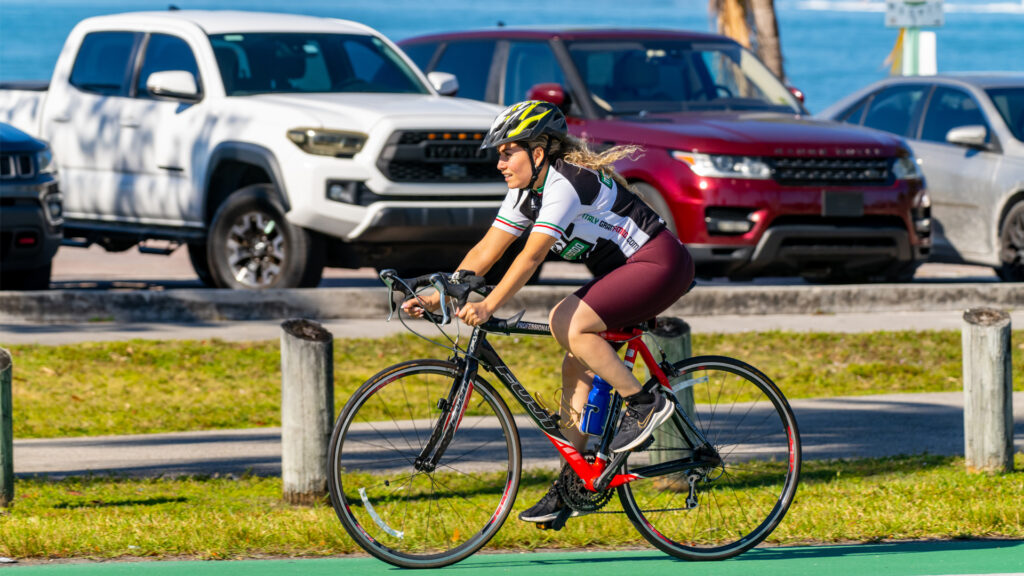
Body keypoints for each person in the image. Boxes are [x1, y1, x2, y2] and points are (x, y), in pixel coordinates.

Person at [402, 100, 695, 523]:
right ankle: (576, 479)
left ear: (538, 152)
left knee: (567, 322)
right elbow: (488, 248)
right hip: (629, 271)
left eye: (508, 152)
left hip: (660, 264)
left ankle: (645, 403)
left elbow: (530, 256)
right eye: (499, 154)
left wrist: (488, 304)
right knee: (574, 361)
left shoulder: (564, 183)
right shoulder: (525, 192)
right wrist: (439, 294)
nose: (500, 162)